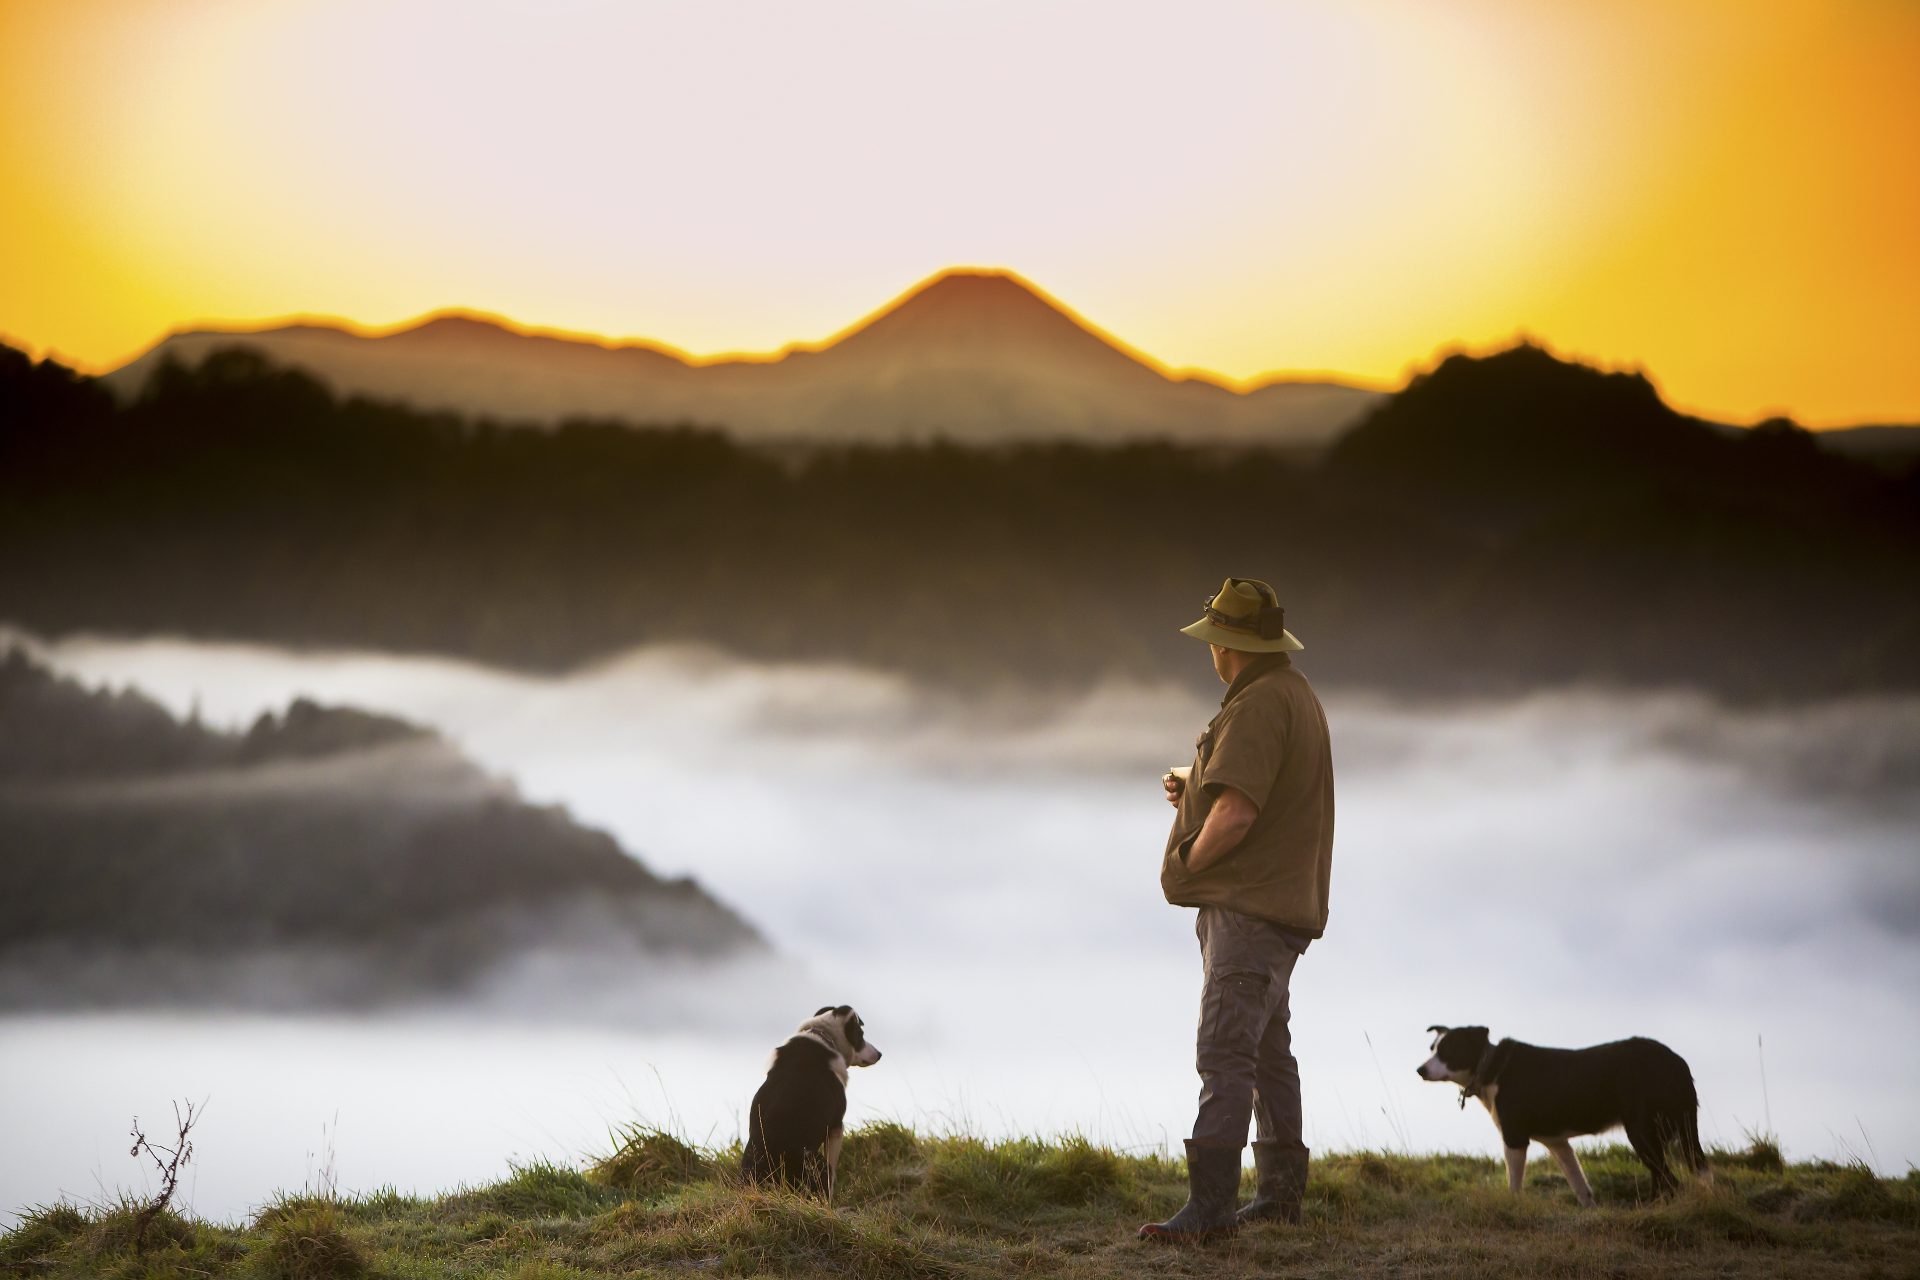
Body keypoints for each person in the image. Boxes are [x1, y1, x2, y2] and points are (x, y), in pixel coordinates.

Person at [1138, 577, 1335, 1244]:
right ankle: (1281, 1198)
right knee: (1268, 1050)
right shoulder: (1293, 694)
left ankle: (1210, 1211)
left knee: (1224, 1050)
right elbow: (1252, 789)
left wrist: (1190, 855)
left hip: (1249, 912)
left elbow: (1241, 810)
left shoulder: (1255, 707)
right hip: (1282, 908)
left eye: (1214, 641)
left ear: (1227, 646)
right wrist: (1194, 784)